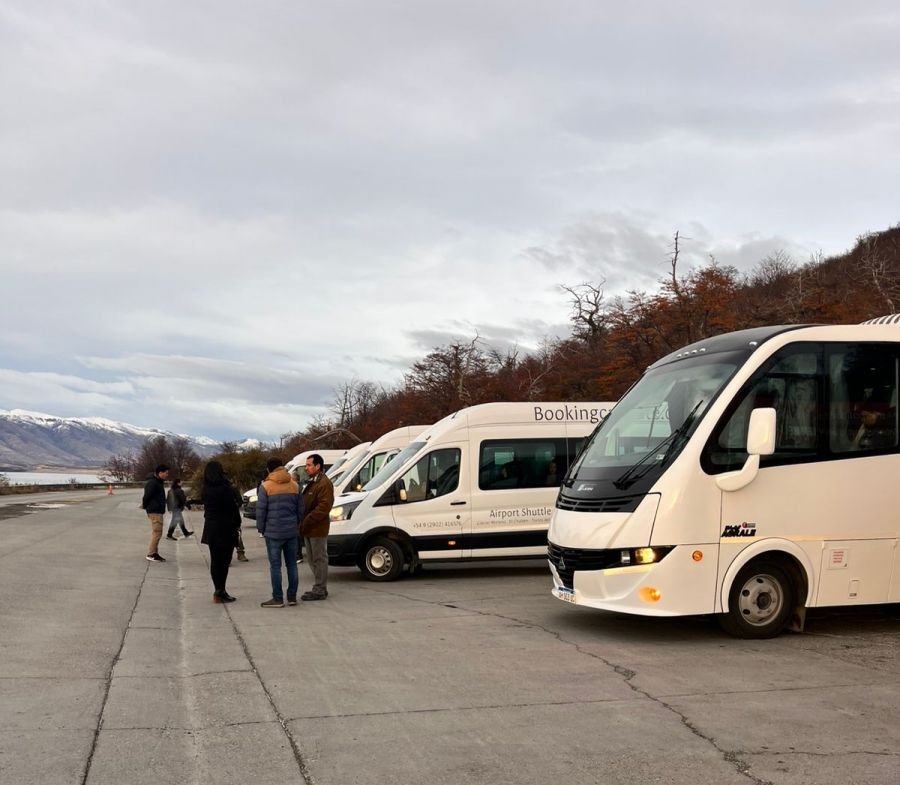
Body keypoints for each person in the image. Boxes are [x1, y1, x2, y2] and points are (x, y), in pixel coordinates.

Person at [257, 457, 304, 608]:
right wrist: (296, 525)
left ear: (268, 470)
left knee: (275, 566)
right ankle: (292, 597)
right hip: (291, 532)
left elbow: (261, 511)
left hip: (273, 532)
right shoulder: (295, 486)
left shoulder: (266, 486)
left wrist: (261, 528)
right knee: (292, 565)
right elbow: (300, 510)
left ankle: (277, 598)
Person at [200, 460, 241, 603]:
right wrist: (237, 522)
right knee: (225, 561)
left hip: (211, 527)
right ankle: (221, 590)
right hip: (226, 527)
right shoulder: (225, 488)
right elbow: (232, 508)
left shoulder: (206, 488)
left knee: (215, 560)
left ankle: (217, 590)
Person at [300, 453, 334, 601]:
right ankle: (320, 586)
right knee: (312, 559)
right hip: (308, 527)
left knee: (319, 558)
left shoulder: (324, 483)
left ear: (318, 466)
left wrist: (308, 519)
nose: (306, 468)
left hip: (317, 527)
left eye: (309, 465)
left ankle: (320, 588)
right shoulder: (312, 482)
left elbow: (324, 507)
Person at [141, 464, 169, 562]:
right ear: (160, 473)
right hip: (155, 510)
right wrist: (145, 506)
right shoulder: (153, 483)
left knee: (157, 532)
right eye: (166, 473)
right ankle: (151, 554)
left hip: (157, 510)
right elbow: (146, 496)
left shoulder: (158, 482)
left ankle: (154, 552)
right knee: (157, 532)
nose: (167, 475)